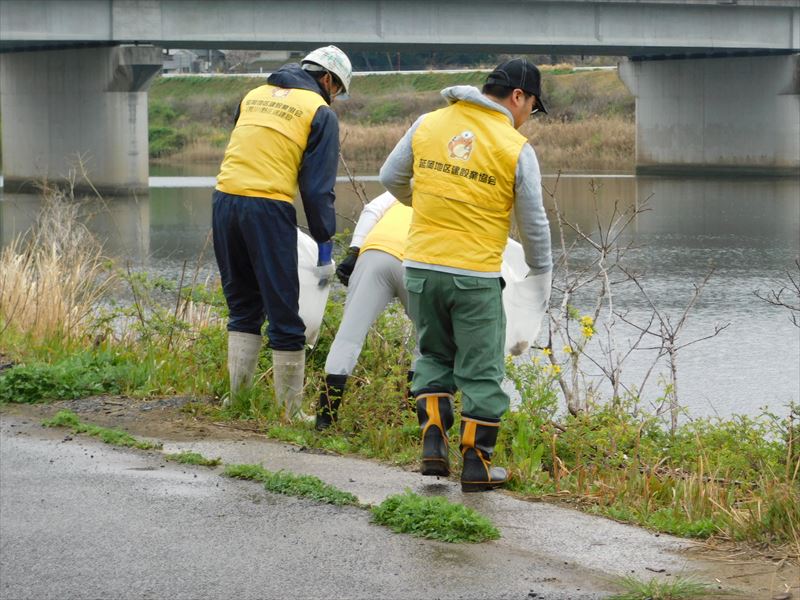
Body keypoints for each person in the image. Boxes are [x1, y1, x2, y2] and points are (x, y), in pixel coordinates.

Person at [379, 58, 553, 492]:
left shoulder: (429, 123)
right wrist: (540, 271)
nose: (529, 114)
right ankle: (476, 464)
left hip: (419, 267)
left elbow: (390, 177)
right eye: (532, 104)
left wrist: (428, 204)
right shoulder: (514, 147)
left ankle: (433, 446)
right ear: (518, 96)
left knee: (433, 355)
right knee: (480, 370)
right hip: (474, 275)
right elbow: (534, 224)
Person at [212, 46, 352, 418]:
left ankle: (237, 401)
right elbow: (317, 189)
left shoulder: (254, 95)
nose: (333, 98)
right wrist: (325, 243)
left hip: (224, 200)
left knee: (242, 305)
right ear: (327, 80)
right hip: (267, 207)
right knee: (285, 312)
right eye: (336, 90)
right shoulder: (319, 112)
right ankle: (289, 412)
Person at [315, 191, 419, 430]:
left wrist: (353, 252)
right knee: (428, 340)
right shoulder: (455, 190)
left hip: (374, 253)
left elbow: (371, 209)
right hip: (415, 261)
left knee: (348, 337)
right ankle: (415, 422)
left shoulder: (405, 185)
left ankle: (325, 419)